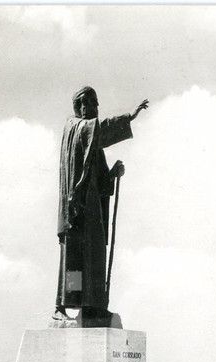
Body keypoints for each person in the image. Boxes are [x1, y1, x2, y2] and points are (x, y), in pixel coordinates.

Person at [55, 87, 149, 322]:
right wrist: (128, 118)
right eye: (88, 103)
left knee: (95, 256)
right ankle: (64, 304)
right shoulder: (74, 128)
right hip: (76, 209)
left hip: (92, 208)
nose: (93, 107)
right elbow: (97, 131)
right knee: (74, 261)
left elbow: (101, 180)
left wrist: (113, 174)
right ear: (79, 107)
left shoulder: (92, 145)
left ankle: (92, 305)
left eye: (95, 103)